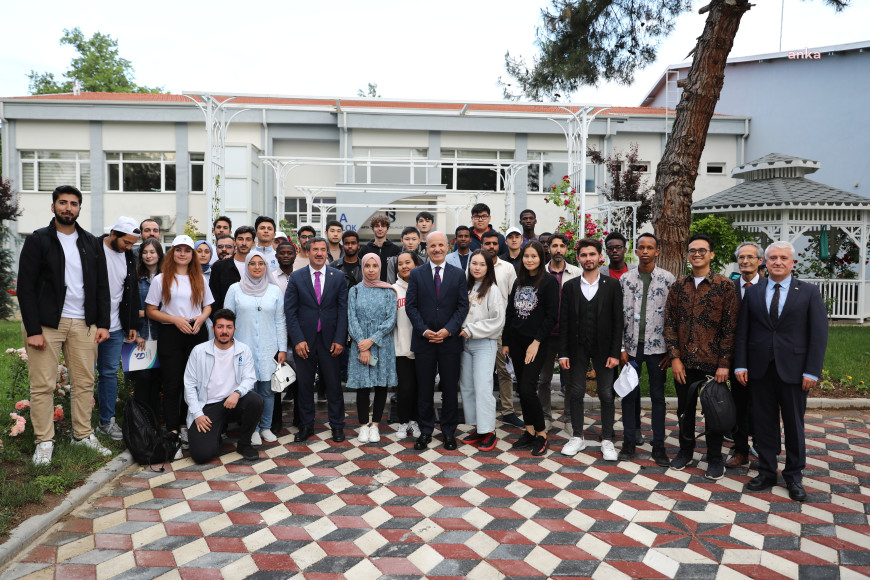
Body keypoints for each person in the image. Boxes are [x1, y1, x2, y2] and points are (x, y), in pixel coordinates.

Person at [18, 185, 112, 464]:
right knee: (43, 384)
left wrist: (103, 323)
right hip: (47, 324)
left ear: (79, 209)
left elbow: (101, 286)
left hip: (83, 323)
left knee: (84, 382)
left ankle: (82, 435)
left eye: (73, 204)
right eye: (63, 203)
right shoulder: (39, 240)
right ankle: (44, 441)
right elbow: (25, 286)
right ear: (53, 207)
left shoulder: (91, 242)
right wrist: (33, 329)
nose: (68, 208)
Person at [736, 241, 827, 502]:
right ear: (765, 261)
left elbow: (819, 335)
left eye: (783, 258)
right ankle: (766, 472)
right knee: (763, 424)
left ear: (792, 263)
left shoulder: (808, 292)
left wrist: (812, 371)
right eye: (772, 257)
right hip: (760, 369)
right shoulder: (753, 292)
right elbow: (743, 331)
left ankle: (794, 476)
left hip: (795, 371)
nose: (778, 262)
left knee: (794, 426)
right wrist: (741, 364)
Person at [664, 233, 738, 480]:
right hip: (684, 363)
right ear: (688, 254)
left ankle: (715, 457)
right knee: (684, 411)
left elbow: (730, 327)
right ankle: (685, 451)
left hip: (713, 364)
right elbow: (670, 323)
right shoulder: (678, 287)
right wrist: (674, 358)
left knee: (713, 412)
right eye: (693, 250)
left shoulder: (725, 286)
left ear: (711, 254)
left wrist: (724, 364)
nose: (697, 254)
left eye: (702, 250)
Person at [145, 235, 214, 456]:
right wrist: (175, 320)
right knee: (173, 383)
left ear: (192, 254)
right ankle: (173, 430)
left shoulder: (199, 278)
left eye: (187, 250)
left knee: (193, 383)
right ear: (172, 253)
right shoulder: (161, 279)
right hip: (171, 333)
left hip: (196, 332)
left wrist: (201, 319)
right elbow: (151, 310)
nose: (182, 253)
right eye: (178, 250)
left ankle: (188, 426)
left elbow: (208, 306)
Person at [558, 238, 623, 460]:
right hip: (577, 348)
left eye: (592, 254)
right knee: (575, 392)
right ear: (578, 258)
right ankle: (578, 437)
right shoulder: (570, 287)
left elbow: (617, 322)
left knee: (606, 394)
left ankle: (606, 439)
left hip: (604, 349)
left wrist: (615, 353)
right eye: (584, 255)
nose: (588, 258)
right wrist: (563, 352)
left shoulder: (612, 286)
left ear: (599, 257)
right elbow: (564, 322)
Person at [405, 231, 470, 451]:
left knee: (450, 388)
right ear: (426, 248)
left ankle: (449, 431)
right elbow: (411, 306)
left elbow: (463, 306)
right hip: (424, 341)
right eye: (432, 246)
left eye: (441, 245)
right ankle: (425, 431)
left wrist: (448, 330)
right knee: (424, 388)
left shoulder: (458, 274)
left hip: (449, 342)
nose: (437, 249)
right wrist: (424, 331)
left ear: (447, 246)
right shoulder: (416, 274)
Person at [618, 233, 675, 466]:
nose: (645, 251)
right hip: (631, 348)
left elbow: (673, 316)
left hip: (658, 348)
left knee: (657, 396)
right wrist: (621, 347)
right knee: (629, 395)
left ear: (657, 252)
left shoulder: (668, 279)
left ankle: (659, 445)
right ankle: (629, 441)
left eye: (649, 247)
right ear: (636, 250)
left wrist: (672, 351)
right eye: (641, 247)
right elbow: (618, 316)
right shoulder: (626, 279)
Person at [285, 237, 348, 442]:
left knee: (333, 386)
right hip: (304, 341)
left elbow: (342, 310)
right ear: (308, 252)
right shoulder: (296, 277)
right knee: (304, 386)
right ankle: (306, 426)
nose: (319, 253)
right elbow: (290, 312)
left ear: (327, 252)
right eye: (315, 249)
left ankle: (337, 425)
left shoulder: (338, 276)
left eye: (323, 249)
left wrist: (340, 339)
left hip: (330, 341)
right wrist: (298, 339)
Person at [183, 309, 263, 463]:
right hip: (207, 406)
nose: (224, 331)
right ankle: (215, 436)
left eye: (228, 327)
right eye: (220, 327)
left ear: (234, 329)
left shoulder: (243, 350)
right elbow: (189, 385)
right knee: (201, 456)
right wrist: (198, 414)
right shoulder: (199, 351)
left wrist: (237, 392)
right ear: (213, 329)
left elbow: (249, 378)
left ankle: (245, 444)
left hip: (233, 401)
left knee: (255, 401)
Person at [224, 251, 287, 445]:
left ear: (266, 267)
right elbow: (227, 319)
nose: (257, 267)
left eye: (261, 263)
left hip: (269, 348)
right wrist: (227, 347)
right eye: (253, 264)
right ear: (247, 266)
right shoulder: (235, 289)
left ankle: (265, 428)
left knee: (268, 391)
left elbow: (280, 321)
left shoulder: (274, 291)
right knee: (248, 391)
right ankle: (252, 429)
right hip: (243, 348)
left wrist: (282, 348)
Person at [502, 241, 558, 456]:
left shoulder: (549, 282)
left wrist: (536, 342)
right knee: (521, 390)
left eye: (534, 256)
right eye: (526, 256)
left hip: (535, 344)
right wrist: (506, 342)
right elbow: (510, 312)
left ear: (541, 258)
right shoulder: (519, 280)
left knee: (527, 388)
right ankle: (529, 431)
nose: (529, 260)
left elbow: (551, 316)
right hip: (516, 342)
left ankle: (542, 435)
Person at [96, 217, 142, 441]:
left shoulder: (129, 257)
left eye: (133, 244)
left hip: (116, 326)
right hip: (91, 324)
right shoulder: (93, 248)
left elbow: (131, 291)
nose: (129, 247)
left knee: (109, 373)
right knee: (83, 376)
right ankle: (82, 425)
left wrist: (132, 323)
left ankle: (106, 422)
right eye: (126, 242)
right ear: (113, 234)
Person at [347, 254, 398, 443]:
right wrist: (363, 345)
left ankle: (375, 425)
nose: (370, 269)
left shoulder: (388, 291)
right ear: (362, 267)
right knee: (362, 387)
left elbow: (390, 320)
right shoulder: (355, 291)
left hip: (382, 344)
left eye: (374, 266)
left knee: (380, 385)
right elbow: (352, 319)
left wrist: (372, 340)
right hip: (360, 345)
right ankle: (362, 426)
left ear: (380, 268)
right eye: (367, 266)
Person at [458, 250, 505, 452]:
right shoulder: (466, 287)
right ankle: (479, 427)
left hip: (484, 343)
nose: (477, 267)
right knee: (468, 386)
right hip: (464, 344)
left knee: (483, 387)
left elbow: (497, 321)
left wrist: (471, 329)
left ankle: (490, 431)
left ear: (488, 267)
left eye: (482, 264)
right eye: (473, 263)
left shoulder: (492, 289)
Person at [534, 234, 581, 428]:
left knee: (569, 380)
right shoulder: (539, 273)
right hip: (545, 335)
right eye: (554, 246)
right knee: (543, 379)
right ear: (549, 249)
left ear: (567, 249)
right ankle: (545, 416)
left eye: (562, 246)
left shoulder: (576, 273)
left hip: (568, 335)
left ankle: (569, 418)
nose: (558, 249)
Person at [725, 241, 764, 470]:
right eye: (741, 257)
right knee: (738, 406)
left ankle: (762, 448)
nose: (745, 261)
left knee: (762, 406)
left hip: (763, 359)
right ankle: (740, 451)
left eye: (750, 257)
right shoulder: (729, 288)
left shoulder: (770, 287)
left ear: (760, 261)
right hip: (734, 358)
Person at [481, 230, 523, 429]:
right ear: (481, 245)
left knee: (504, 372)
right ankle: (482, 410)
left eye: (494, 244)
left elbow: (514, 299)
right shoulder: (475, 265)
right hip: (479, 330)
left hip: (501, 329)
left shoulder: (507, 268)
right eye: (487, 243)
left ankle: (507, 411)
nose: (491, 247)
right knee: (482, 373)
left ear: (499, 246)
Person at [392, 250, 423, 440]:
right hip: (401, 346)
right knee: (405, 387)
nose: (404, 266)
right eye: (400, 263)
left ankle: (416, 421)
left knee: (420, 387)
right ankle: (403, 422)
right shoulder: (392, 289)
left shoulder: (424, 285)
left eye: (408, 262)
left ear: (416, 264)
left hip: (423, 346)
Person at [132, 238, 164, 417]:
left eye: (152, 252)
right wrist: (136, 333)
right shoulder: (135, 278)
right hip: (141, 337)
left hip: (162, 336)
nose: (148, 256)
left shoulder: (167, 277)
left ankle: (155, 421)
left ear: (159, 253)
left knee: (158, 380)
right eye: (145, 252)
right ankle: (140, 420)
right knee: (143, 379)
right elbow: (128, 310)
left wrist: (145, 312)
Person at [209, 226, 255, 311]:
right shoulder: (219, 267)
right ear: (234, 242)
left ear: (253, 243)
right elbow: (213, 298)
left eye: (248, 239)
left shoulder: (258, 267)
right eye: (240, 239)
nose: (244, 243)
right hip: (225, 320)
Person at [360, 213, 401, 280]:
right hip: (369, 288)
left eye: (383, 226)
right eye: (377, 226)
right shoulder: (364, 250)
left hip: (389, 288)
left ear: (387, 229)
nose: (380, 229)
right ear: (372, 228)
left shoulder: (395, 250)